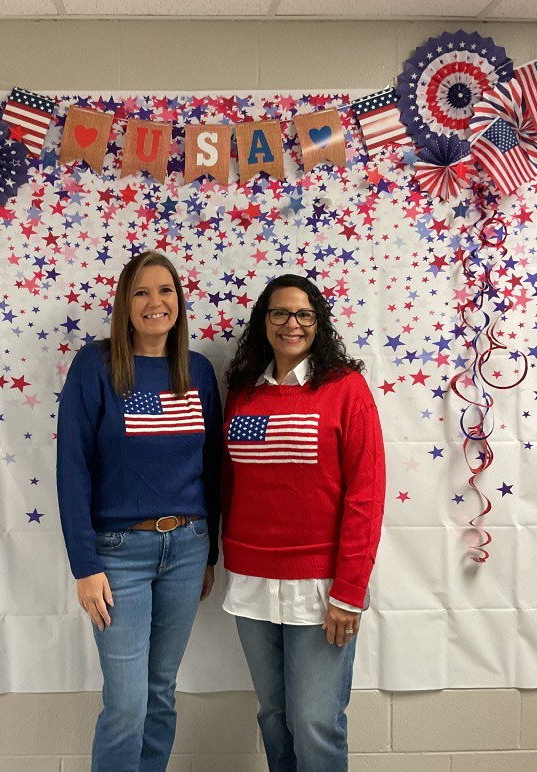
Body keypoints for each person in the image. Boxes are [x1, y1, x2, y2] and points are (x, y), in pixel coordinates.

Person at [56, 251, 222, 772]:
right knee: (126, 704)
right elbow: (72, 467)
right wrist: (84, 565)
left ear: (179, 301)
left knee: (160, 693)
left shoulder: (197, 370)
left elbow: (213, 467)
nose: (156, 302)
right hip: (118, 555)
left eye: (165, 290)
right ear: (125, 304)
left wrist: (210, 553)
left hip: (188, 549)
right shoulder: (96, 365)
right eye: (142, 292)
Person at [221, 274, 385, 772]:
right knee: (274, 716)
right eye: (280, 313)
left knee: (315, 722)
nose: (292, 324)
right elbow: (228, 481)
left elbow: (366, 494)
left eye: (304, 314)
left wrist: (349, 592)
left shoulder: (345, 389)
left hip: (322, 586)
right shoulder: (244, 392)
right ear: (263, 321)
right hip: (252, 582)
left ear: (318, 323)